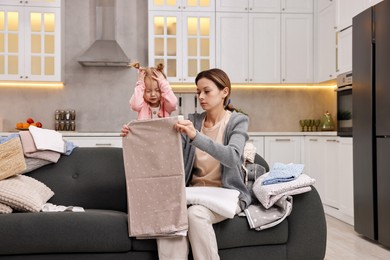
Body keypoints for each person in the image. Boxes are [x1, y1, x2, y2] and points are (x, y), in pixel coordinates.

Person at [120, 68, 251, 260]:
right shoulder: (192, 121)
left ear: (224, 92)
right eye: (198, 92)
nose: (201, 96)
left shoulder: (237, 121)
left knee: (195, 215)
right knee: (170, 214)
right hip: (193, 193)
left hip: (226, 194)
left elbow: (233, 157)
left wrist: (196, 137)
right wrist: (134, 134)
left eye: (207, 91)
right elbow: (163, 151)